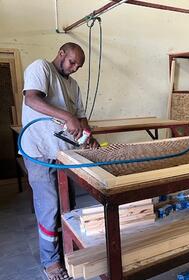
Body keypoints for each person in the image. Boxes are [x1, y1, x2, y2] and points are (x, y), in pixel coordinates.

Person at [21, 42, 99, 280]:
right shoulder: (41, 68)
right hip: (39, 153)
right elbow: (31, 99)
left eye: (79, 66)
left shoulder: (73, 85)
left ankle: (68, 250)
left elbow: (81, 118)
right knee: (50, 206)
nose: (74, 68)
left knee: (68, 205)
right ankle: (51, 262)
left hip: (63, 154)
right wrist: (67, 116)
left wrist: (89, 137)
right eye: (72, 62)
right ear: (61, 53)